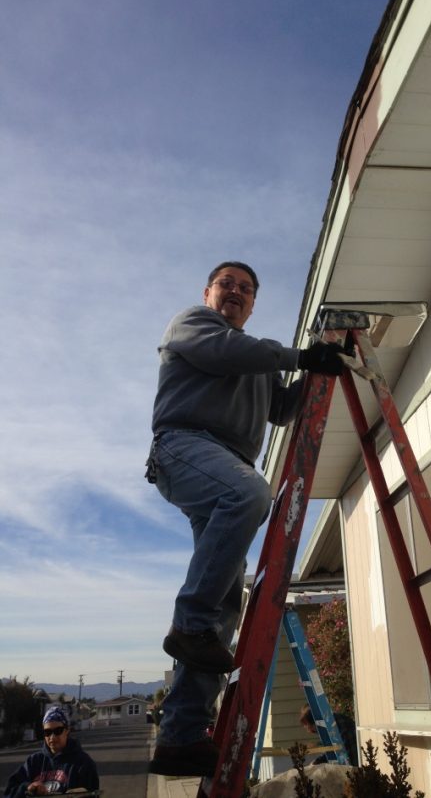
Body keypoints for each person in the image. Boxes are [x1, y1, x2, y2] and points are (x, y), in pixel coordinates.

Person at [146, 261, 345, 777]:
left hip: (224, 467)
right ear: (208, 293)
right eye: (227, 284)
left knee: (227, 602)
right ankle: (188, 622)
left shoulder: (262, 360)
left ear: (253, 303)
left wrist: (320, 368)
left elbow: (281, 409)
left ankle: (181, 735)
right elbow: (226, 352)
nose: (236, 291)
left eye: (246, 289)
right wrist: (301, 354)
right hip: (183, 447)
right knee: (250, 495)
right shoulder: (193, 325)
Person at [3, 706, 99, 796]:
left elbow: (93, 793)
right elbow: (9, 792)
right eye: (47, 732)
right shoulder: (33, 762)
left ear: (67, 730)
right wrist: (28, 787)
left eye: (58, 731)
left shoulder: (83, 763)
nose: (52, 737)